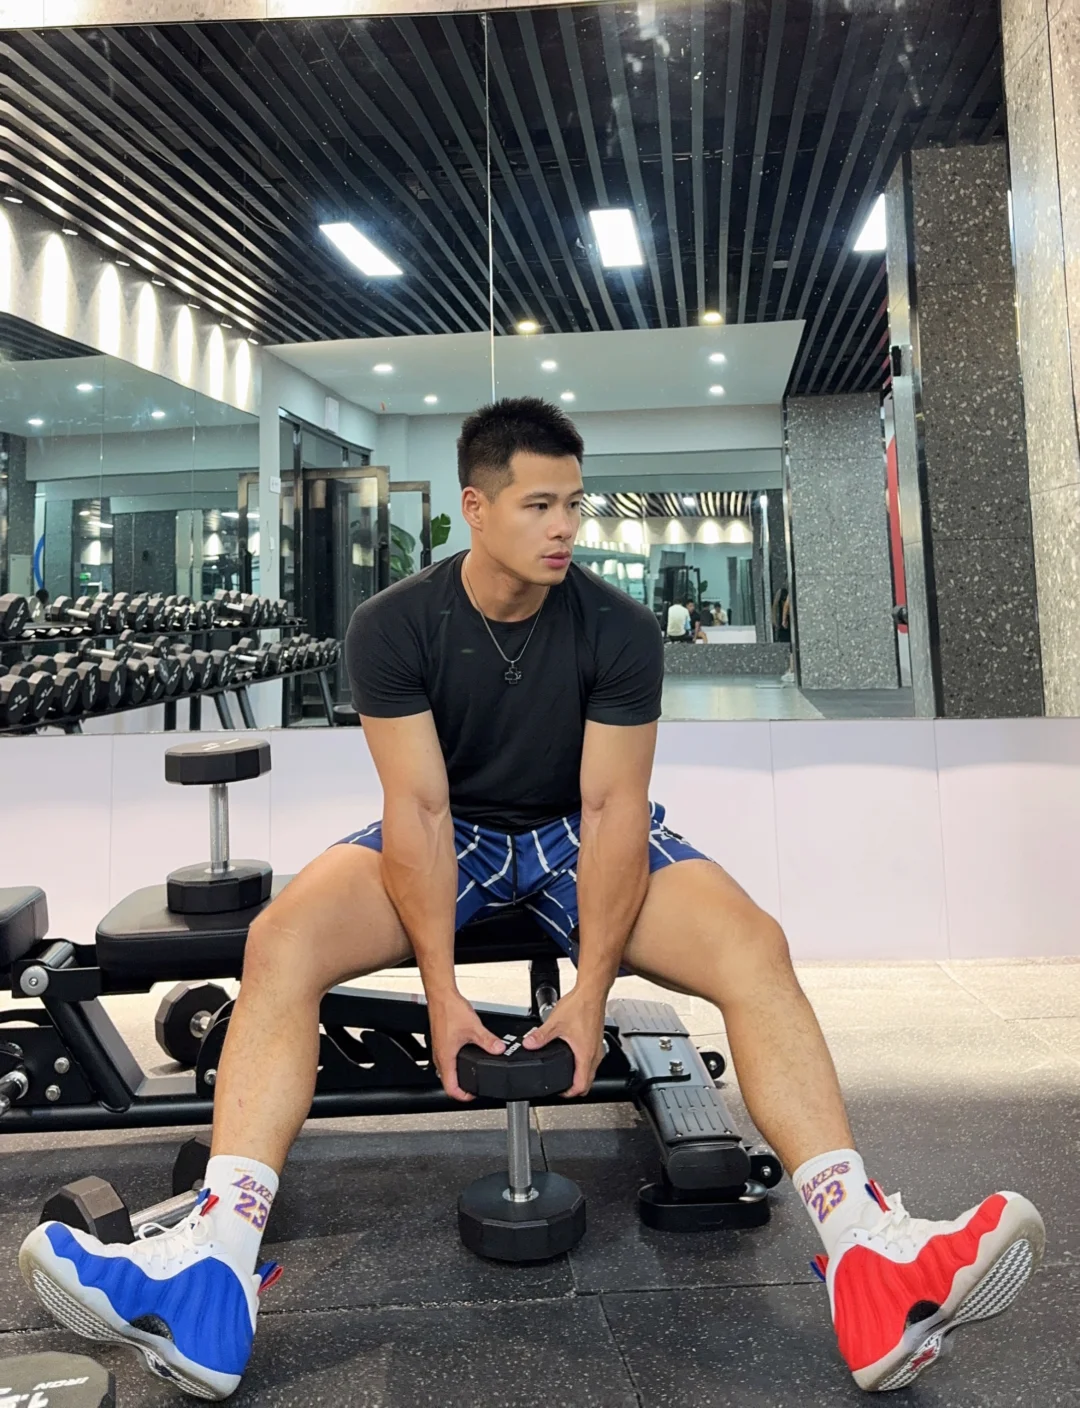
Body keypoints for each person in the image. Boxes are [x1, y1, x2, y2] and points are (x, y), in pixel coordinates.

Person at [20, 397, 1044, 1400]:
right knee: (282, 939)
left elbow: (613, 809)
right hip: (452, 826)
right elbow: (418, 810)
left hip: (576, 828)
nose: (565, 527)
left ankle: (868, 1254)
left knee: (754, 947)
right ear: (476, 506)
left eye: (574, 504)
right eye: (539, 505)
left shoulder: (618, 628)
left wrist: (591, 995)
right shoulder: (394, 625)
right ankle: (213, 1265)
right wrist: (440, 994)